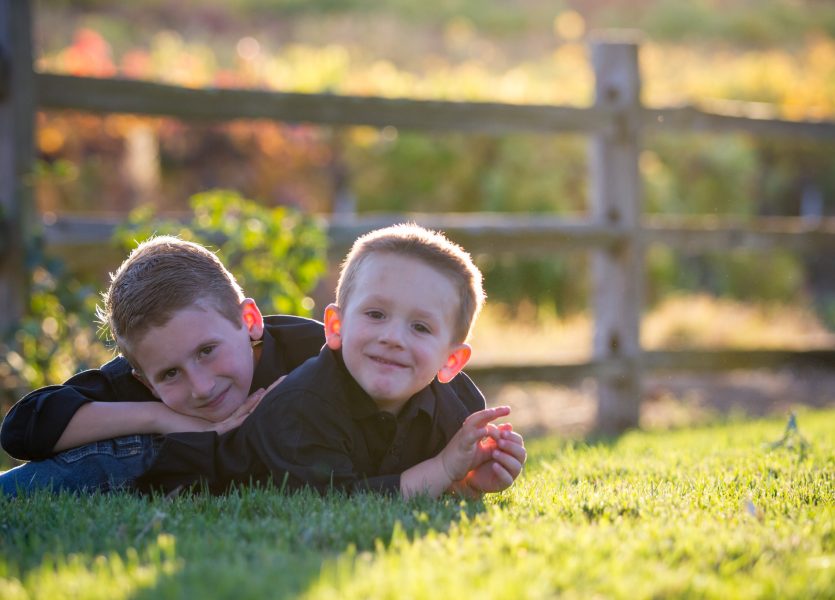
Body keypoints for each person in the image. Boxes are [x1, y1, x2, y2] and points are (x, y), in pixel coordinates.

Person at [0, 234, 505, 497]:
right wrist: (168, 419)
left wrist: (467, 467)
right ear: (143, 378)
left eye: (207, 352)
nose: (199, 384)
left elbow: (409, 397)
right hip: (146, 460)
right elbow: (24, 428)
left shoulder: (318, 353)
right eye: (170, 375)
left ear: (249, 321)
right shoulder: (150, 369)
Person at [135, 224, 526, 499]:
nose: (392, 337)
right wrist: (442, 469)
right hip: (168, 467)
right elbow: (343, 501)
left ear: (451, 360)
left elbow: (424, 484)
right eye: (375, 314)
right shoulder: (302, 404)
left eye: (420, 327)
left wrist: (471, 478)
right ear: (335, 326)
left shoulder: (459, 410)